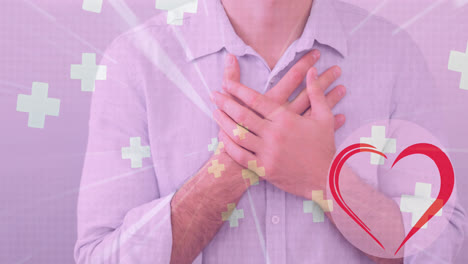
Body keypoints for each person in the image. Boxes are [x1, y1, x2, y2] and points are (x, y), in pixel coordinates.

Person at [74, 0, 465, 263]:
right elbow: (99, 256)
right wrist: (228, 170)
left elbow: (442, 244)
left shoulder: (393, 53)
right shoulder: (135, 62)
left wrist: (326, 182)